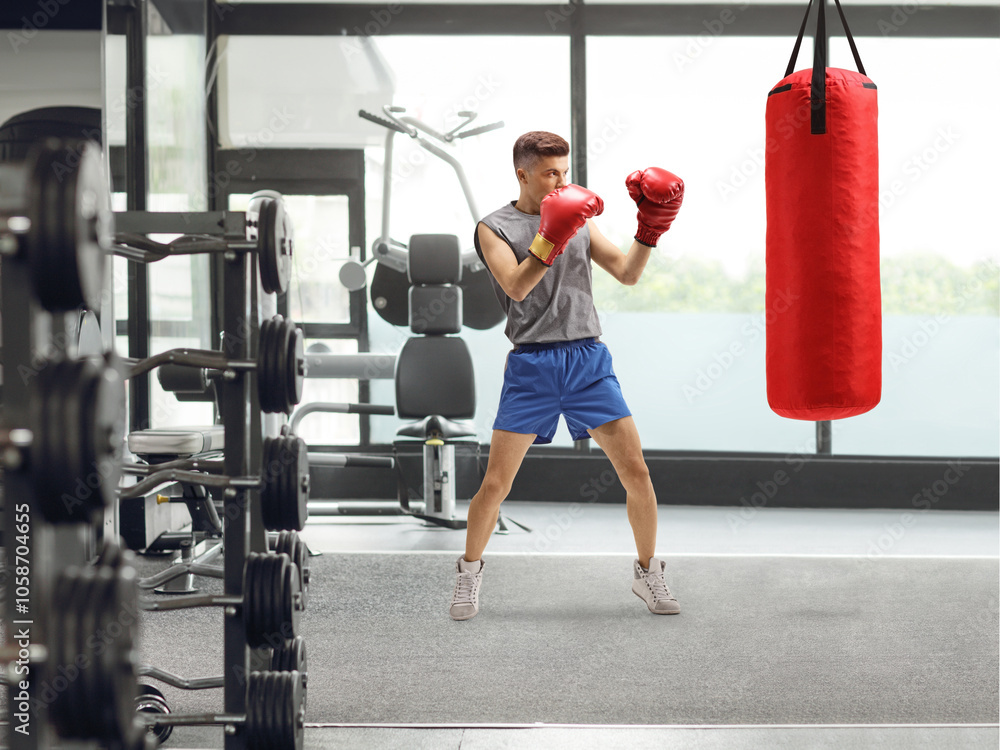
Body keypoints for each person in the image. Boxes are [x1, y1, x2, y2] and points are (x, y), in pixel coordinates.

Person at [449, 131, 684, 621]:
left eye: (566, 171)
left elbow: (627, 272)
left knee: (636, 472)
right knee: (495, 484)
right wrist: (548, 237)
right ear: (523, 174)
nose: (561, 180)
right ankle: (468, 575)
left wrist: (648, 229)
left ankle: (648, 571)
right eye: (551, 172)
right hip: (532, 365)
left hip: (588, 361)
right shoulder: (493, 227)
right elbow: (515, 286)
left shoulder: (578, 219)